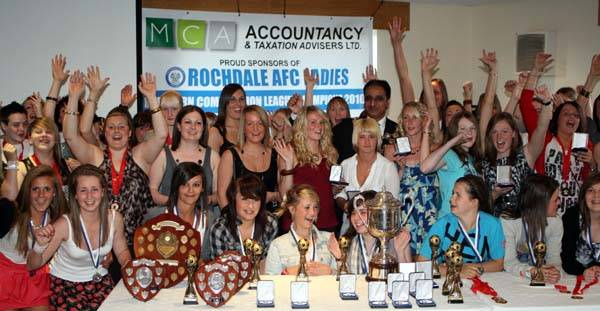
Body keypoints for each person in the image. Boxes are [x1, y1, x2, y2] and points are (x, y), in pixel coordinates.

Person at [63, 70, 168, 245]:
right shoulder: (96, 156)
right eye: (111, 127)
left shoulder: (140, 155)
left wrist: (151, 98)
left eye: (121, 127)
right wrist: (74, 98)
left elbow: (162, 135)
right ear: (104, 132)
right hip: (100, 241)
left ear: (129, 132)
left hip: (139, 243)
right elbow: (72, 136)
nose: (116, 131)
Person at [27, 165, 131, 310]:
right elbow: (32, 265)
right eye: (83, 190)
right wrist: (39, 247)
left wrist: (128, 264)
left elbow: (121, 250)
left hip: (101, 282)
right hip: (66, 287)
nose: (89, 196)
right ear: (75, 195)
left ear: (102, 192)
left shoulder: (115, 218)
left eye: (94, 189)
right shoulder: (64, 225)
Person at [520, 53, 597, 216]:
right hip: (546, 211)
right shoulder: (545, 137)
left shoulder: (583, 143)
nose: (572, 117)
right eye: (566, 114)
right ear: (557, 118)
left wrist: (591, 164)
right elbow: (526, 105)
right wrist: (535, 70)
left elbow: (589, 180)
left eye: (576, 116)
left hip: (575, 214)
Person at [0, 166, 68, 310]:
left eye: (47, 189)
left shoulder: (58, 217)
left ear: (55, 192)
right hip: (4, 277)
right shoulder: (11, 212)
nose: (41, 195)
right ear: (27, 192)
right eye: (35, 189)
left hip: (34, 276)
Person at [418, 175, 505, 278]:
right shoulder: (443, 224)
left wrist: (472, 269)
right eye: (452, 194)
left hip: (480, 280)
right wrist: (457, 270)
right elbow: (421, 264)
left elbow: (498, 264)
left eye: (458, 195)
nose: (451, 199)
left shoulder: (492, 224)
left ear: (474, 202)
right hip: (447, 281)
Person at [275, 106, 339, 232]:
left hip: (327, 222)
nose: (319, 127)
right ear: (302, 125)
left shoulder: (330, 152)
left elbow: (330, 190)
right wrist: (288, 164)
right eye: (313, 122)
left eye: (321, 123)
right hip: (298, 226)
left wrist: (336, 188)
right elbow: (284, 196)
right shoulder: (290, 151)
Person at [335, 117, 399, 233]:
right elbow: (340, 195)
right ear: (355, 139)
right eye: (362, 137)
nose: (367, 141)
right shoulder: (345, 164)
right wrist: (345, 205)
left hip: (379, 231)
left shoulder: (388, 167)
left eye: (371, 137)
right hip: (349, 229)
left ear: (377, 140)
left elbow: (392, 206)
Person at [150, 106, 219, 206]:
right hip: (170, 217)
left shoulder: (214, 156)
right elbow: (153, 191)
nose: (193, 127)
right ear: (178, 126)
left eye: (198, 123)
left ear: (204, 128)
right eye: (188, 122)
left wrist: (201, 202)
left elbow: (218, 194)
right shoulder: (163, 154)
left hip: (204, 217)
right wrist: (177, 204)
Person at [329, 191, 411, 274]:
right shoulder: (345, 241)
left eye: (363, 212)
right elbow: (342, 279)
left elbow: (408, 277)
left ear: (377, 214)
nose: (356, 218)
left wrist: (400, 252)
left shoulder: (395, 239)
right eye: (353, 213)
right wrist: (339, 259)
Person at [502, 175, 563, 283]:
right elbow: (508, 263)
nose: (559, 203)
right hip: (514, 278)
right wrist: (532, 271)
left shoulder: (556, 222)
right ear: (540, 204)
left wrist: (553, 271)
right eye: (555, 200)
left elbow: (554, 258)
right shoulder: (508, 221)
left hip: (542, 278)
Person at [217, 105, 279, 211]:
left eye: (260, 123)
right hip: (238, 223)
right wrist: (233, 222)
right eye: (250, 124)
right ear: (243, 128)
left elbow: (285, 194)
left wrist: (272, 196)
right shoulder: (229, 156)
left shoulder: (276, 155)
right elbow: (222, 196)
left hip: (271, 221)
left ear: (265, 126)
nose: (256, 128)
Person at [266, 184, 337, 275]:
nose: (312, 213)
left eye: (315, 207)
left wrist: (331, 272)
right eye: (307, 207)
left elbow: (346, 280)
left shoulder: (328, 239)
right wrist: (286, 273)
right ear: (292, 209)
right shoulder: (278, 245)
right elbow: (270, 283)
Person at [209, 175, 278, 262]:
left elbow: (270, 262)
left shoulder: (270, 223)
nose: (250, 205)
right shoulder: (220, 229)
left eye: (256, 200)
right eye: (245, 199)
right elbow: (219, 268)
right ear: (233, 200)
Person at [1, 118, 70, 201]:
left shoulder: (67, 164)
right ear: (30, 139)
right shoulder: (22, 166)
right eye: (38, 132)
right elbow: (9, 198)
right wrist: (12, 162)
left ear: (56, 139)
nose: (44, 135)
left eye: (48, 132)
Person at [333, 80, 398, 162]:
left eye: (379, 99)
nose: (372, 104)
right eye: (368, 99)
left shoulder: (398, 131)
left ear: (387, 103)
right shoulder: (345, 128)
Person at [165, 162, 220, 260]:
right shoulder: (159, 215)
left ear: (202, 188)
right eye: (185, 185)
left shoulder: (209, 219)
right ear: (176, 186)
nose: (190, 190)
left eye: (196, 185)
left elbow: (209, 258)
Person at [562, 173, 600, 280]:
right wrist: (583, 271)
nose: (596, 195)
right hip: (574, 278)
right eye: (590, 190)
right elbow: (566, 257)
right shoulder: (572, 216)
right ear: (583, 195)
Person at [208, 83, 247, 155]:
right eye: (232, 99)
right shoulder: (215, 132)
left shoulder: (250, 129)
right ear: (224, 103)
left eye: (241, 99)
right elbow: (211, 165)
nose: (238, 104)